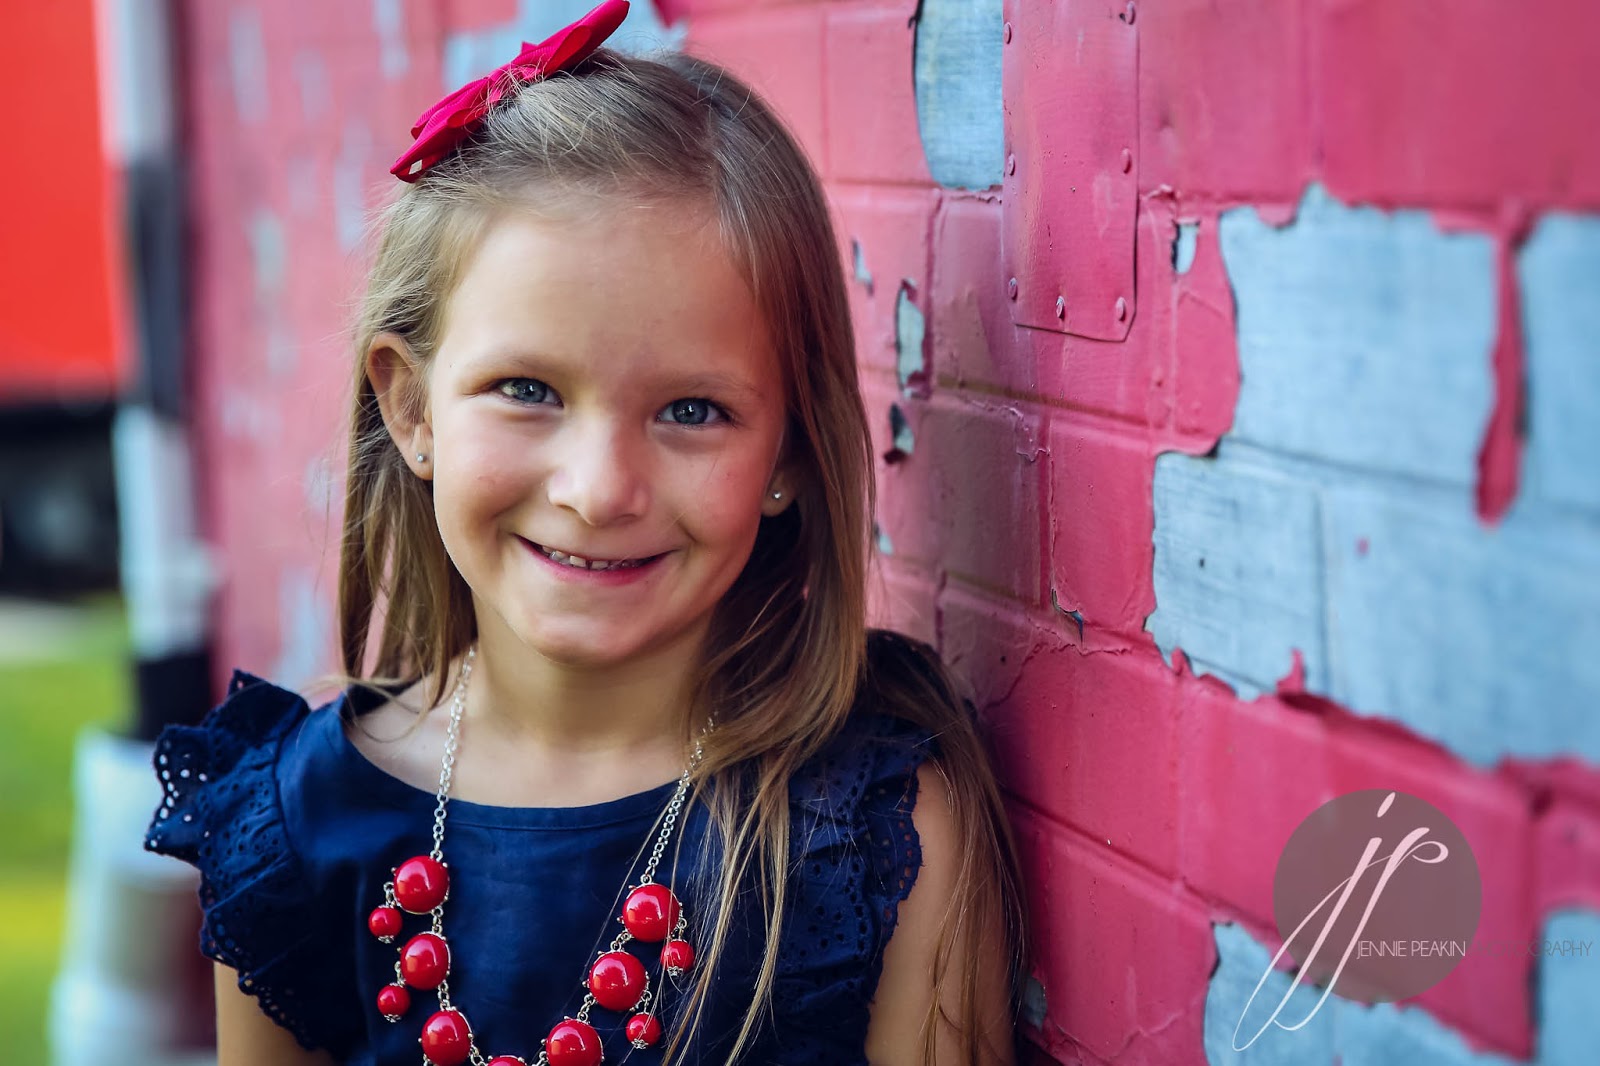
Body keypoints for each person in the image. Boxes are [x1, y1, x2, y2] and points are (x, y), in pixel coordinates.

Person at [145, 2, 1025, 1063]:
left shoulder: (874, 831)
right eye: (527, 389)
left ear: (790, 452)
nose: (600, 491)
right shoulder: (292, 828)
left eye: (691, 410)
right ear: (412, 409)